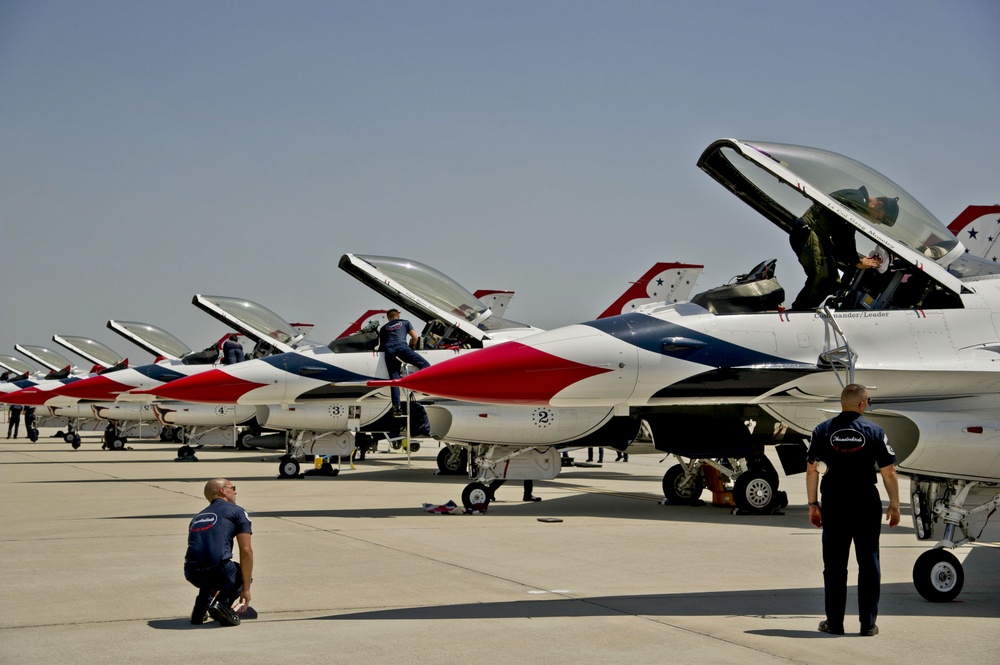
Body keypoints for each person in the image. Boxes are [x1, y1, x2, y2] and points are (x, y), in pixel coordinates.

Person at [806, 383, 900, 637]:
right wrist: (894, 504)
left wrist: (813, 504)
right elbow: (888, 471)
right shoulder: (875, 431)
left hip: (835, 502)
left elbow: (812, 469)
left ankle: (834, 623)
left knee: (835, 565)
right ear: (861, 405)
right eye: (867, 402)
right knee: (868, 562)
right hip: (865, 502)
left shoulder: (822, 430)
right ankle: (867, 624)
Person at [789, 186, 899, 310]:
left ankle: (804, 311)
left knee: (831, 282)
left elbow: (840, 238)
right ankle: (798, 312)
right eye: (879, 218)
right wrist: (856, 261)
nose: (875, 222)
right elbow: (844, 235)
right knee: (822, 281)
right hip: (809, 232)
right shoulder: (856, 200)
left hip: (816, 235)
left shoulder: (856, 198)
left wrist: (857, 259)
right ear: (878, 205)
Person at [184, 478, 255, 626]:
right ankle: (222, 605)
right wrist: (246, 588)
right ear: (223, 490)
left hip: (191, 572)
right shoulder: (236, 511)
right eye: (232, 487)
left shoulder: (197, 516)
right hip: (217, 570)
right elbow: (246, 550)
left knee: (211, 569)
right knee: (239, 571)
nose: (235, 491)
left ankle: (199, 610)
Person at [378, 309, 430, 416]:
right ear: (398, 315)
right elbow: (415, 337)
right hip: (402, 348)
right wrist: (411, 347)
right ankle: (425, 388)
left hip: (389, 350)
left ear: (388, 318)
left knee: (394, 376)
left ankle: (396, 408)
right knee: (425, 365)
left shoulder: (383, 328)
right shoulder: (405, 322)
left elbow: (381, 345)